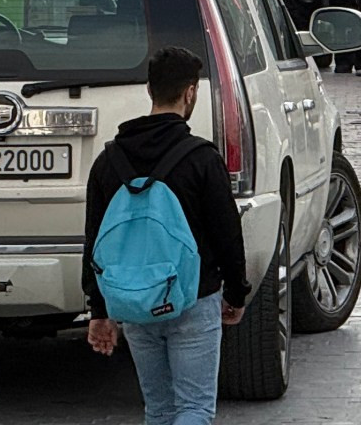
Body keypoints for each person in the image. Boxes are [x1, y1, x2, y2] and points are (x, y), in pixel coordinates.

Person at [83, 48, 248, 425]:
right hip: (194, 297)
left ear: (149, 90)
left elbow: (93, 240)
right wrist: (236, 292)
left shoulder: (109, 161)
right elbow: (227, 233)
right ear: (190, 92)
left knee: (158, 409)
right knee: (193, 408)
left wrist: (99, 310)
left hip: (134, 301)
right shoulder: (201, 158)